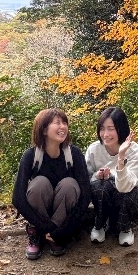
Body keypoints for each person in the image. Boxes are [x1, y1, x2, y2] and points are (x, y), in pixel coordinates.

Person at [12, 108, 91, 260]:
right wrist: (45, 226)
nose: (63, 127)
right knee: (39, 183)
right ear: (43, 130)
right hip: (41, 217)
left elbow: (86, 195)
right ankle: (39, 234)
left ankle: (56, 237)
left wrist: (63, 229)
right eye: (57, 123)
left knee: (69, 184)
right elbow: (18, 198)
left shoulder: (74, 154)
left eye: (64, 123)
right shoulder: (31, 156)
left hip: (64, 219)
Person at [85, 106, 138, 246]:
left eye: (111, 129)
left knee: (123, 189)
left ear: (121, 128)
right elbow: (86, 180)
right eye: (102, 128)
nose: (105, 134)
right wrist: (97, 176)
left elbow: (126, 187)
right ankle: (100, 224)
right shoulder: (94, 149)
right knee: (100, 185)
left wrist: (121, 158)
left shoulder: (135, 151)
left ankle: (125, 227)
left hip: (133, 198)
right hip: (105, 198)